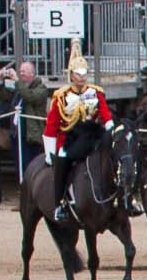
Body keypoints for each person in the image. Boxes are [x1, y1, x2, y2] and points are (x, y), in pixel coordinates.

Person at [41, 42, 115, 226]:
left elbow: (105, 115)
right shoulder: (61, 96)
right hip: (69, 138)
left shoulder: (96, 93)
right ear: (71, 75)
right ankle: (60, 203)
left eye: (84, 74)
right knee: (62, 164)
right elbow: (51, 126)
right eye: (78, 75)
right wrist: (50, 152)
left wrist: (111, 129)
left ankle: (123, 199)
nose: (82, 78)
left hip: (92, 135)